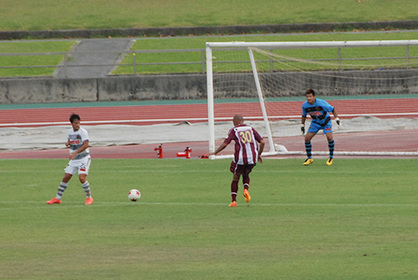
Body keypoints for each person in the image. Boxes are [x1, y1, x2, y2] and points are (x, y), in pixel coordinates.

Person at [212, 114, 265, 207]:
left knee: (236, 177)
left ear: (235, 122)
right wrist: (259, 154)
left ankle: (234, 201)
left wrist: (215, 152)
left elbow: (225, 144)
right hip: (253, 157)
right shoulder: (251, 128)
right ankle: (246, 189)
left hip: (241, 158)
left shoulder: (234, 130)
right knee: (246, 173)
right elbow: (263, 142)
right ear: (242, 121)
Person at [47, 114, 94, 205]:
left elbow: (86, 145)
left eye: (79, 123)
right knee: (66, 177)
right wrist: (68, 143)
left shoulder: (83, 132)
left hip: (83, 158)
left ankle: (89, 198)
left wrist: (75, 152)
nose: (78, 125)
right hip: (74, 159)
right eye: (76, 123)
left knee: (82, 177)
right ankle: (58, 198)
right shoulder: (70, 132)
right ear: (71, 123)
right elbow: (71, 141)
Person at [301, 89, 341, 166]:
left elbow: (333, 109)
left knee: (329, 137)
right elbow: (303, 115)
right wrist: (302, 125)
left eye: (310, 96)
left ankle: (331, 157)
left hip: (326, 122)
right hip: (315, 123)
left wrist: (337, 120)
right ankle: (309, 158)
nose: (309, 98)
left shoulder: (321, 103)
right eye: (307, 96)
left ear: (314, 96)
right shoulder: (305, 106)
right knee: (307, 138)